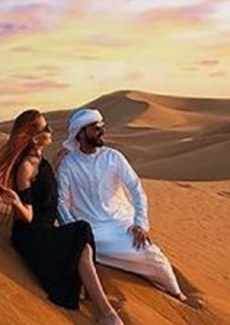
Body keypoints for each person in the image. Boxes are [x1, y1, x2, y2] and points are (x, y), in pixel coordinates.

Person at [0, 109, 124, 325]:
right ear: (34, 137)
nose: (50, 130)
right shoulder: (25, 167)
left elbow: (45, 186)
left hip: (47, 229)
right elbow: (28, 216)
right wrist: (16, 202)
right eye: (45, 128)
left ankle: (97, 299)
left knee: (81, 234)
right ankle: (105, 312)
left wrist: (56, 164)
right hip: (33, 235)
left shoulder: (40, 159)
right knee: (80, 234)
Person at [56, 108, 188, 302]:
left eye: (101, 126)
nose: (101, 131)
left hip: (121, 223)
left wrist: (140, 223)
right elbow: (60, 200)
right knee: (84, 252)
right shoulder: (68, 164)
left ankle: (176, 293)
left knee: (151, 254)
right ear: (81, 133)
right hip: (91, 230)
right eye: (96, 128)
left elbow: (136, 189)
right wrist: (73, 230)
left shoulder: (113, 157)